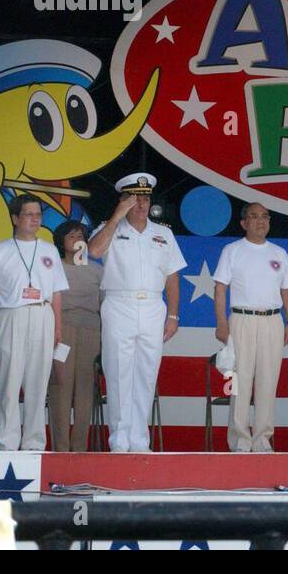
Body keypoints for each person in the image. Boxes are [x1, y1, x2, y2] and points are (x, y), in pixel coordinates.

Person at [85, 173, 186, 453]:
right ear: (124, 200)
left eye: (145, 198)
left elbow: (172, 276)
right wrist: (117, 217)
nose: (141, 204)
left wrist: (174, 315)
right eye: (134, 198)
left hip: (153, 306)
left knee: (146, 373)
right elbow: (93, 250)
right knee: (118, 373)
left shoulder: (163, 233)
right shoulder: (110, 228)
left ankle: (140, 440)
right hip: (119, 304)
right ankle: (119, 439)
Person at [0, 195, 68, 450]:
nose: (35, 219)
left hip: (43, 314)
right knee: (8, 382)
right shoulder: (0, 250)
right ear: (15, 218)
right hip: (11, 315)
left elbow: (57, 293)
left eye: (38, 214)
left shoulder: (50, 250)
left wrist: (58, 328)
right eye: (29, 214)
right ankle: (7, 445)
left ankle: (34, 445)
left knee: (38, 383)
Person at [212, 202, 288, 453]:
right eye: (254, 216)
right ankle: (240, 440)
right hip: (241, 319)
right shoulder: (232, 250)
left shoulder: (279, 253)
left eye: (265, 216)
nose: (260, 221)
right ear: (243, 223)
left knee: (268, 381)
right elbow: (219, 289)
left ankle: (262, 440)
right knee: (239, 380)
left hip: (272, 320)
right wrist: (222, 323)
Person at [48, 221, 102, 452]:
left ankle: (79, 448)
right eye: (71, 236)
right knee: (61, 387)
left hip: (91, 330)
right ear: (61, 242)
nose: (77, 239)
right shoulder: (52, 267)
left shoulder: (98, 270)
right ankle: (61, 448)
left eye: (80, 235)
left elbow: (105, 304)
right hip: (62, 330)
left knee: (85, 389)